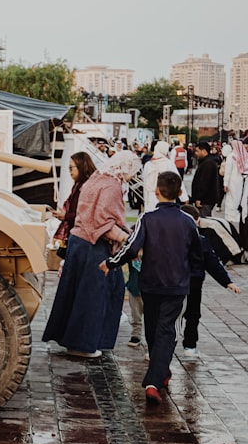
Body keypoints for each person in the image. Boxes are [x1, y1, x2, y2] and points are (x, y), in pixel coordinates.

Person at [99, 172, 201, 405]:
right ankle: (156, 378)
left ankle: (157, 374)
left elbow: (132, 248)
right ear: (179, 193)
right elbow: (197, 254)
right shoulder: (187, 222)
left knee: (153, 329)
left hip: (150, 284)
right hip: (176, 286)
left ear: (156, 191)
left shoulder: (147, 219)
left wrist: (112, 263)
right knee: (167, 331)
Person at [42, 150, 141, 358]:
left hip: (79, 242)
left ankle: (73, 340)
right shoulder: (112, 185)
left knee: (75, 294)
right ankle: (84, 344)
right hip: (93, 246)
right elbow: (104, 222)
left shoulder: (97, 179)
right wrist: (126, 238)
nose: (134, 175)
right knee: (95, 297)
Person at [178, 204, 241, 359]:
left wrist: (227, 281)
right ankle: (189, 345)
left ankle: (189, 344)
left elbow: (212, 263)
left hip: (184, 281)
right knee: (189, 314)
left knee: (189, 314)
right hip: (187, 280)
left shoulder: (198, 240)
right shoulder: (199, 240)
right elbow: (212, 263)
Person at [51, 151, 97, 259]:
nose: (69, 171)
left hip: (83, 237)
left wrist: (66, 216)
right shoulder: (78, 184)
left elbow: (85, 215)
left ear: (81, 167)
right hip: (77, 234)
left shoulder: (86, 186)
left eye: (71, 168)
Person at [142, 140, 186, 212]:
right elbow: (177, 180)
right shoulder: (168, 163)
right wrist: (184, 198)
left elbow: (145, 182)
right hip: (166, 195)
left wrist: (145, 200)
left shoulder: (148, 164)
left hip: (151, 197)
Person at [190, 141, 221, 217]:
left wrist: (199, 198)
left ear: (204, 151)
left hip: (205, 200)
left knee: (204, 221)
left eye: (197, 151)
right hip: (205, 199)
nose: (195, 153)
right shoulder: (206, 162)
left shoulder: (208, 163)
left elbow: (204, 182)